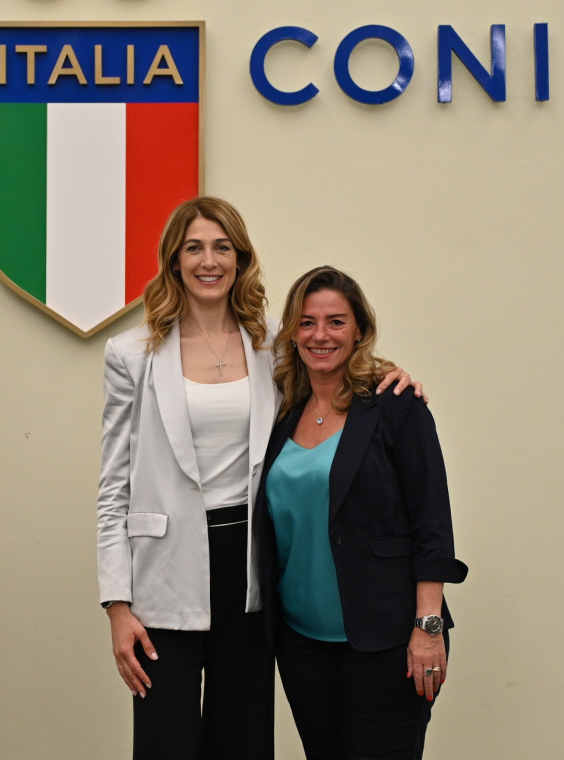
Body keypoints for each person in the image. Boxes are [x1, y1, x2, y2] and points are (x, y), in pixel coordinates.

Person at [96, 199, 422, 759]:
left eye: (222, 247)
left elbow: (337, 364)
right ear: (174, 260)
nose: (209, 261)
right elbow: (113, 488)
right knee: (166, 741)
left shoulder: (274, 342)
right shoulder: (131, 354)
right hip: (163, 572)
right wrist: (117, 605)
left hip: (252, 563)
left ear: (240, 258)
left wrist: (392, 376)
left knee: (242, 738)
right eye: (194, 248)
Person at [255, 266, 468, 759]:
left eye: (336, 321)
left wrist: (428, 627)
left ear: (359, 330)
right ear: (292, 333)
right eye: (307, 322)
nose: (320, 335)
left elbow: (431, 522)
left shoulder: (395, 404)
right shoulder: (282, 411)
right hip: (301, 642)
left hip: (388, 638)